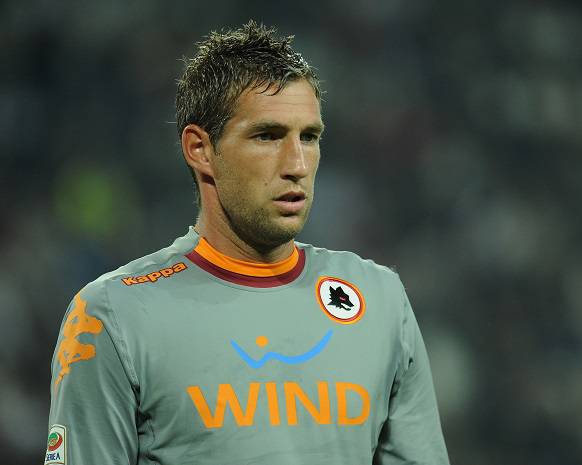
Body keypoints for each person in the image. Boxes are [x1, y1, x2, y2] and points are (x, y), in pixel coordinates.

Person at [45, 21, 450, 465]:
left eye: (309, 137)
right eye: (268, 136)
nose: (297, 163)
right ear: (200, 149)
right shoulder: (111, 317)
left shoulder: (379, 298)